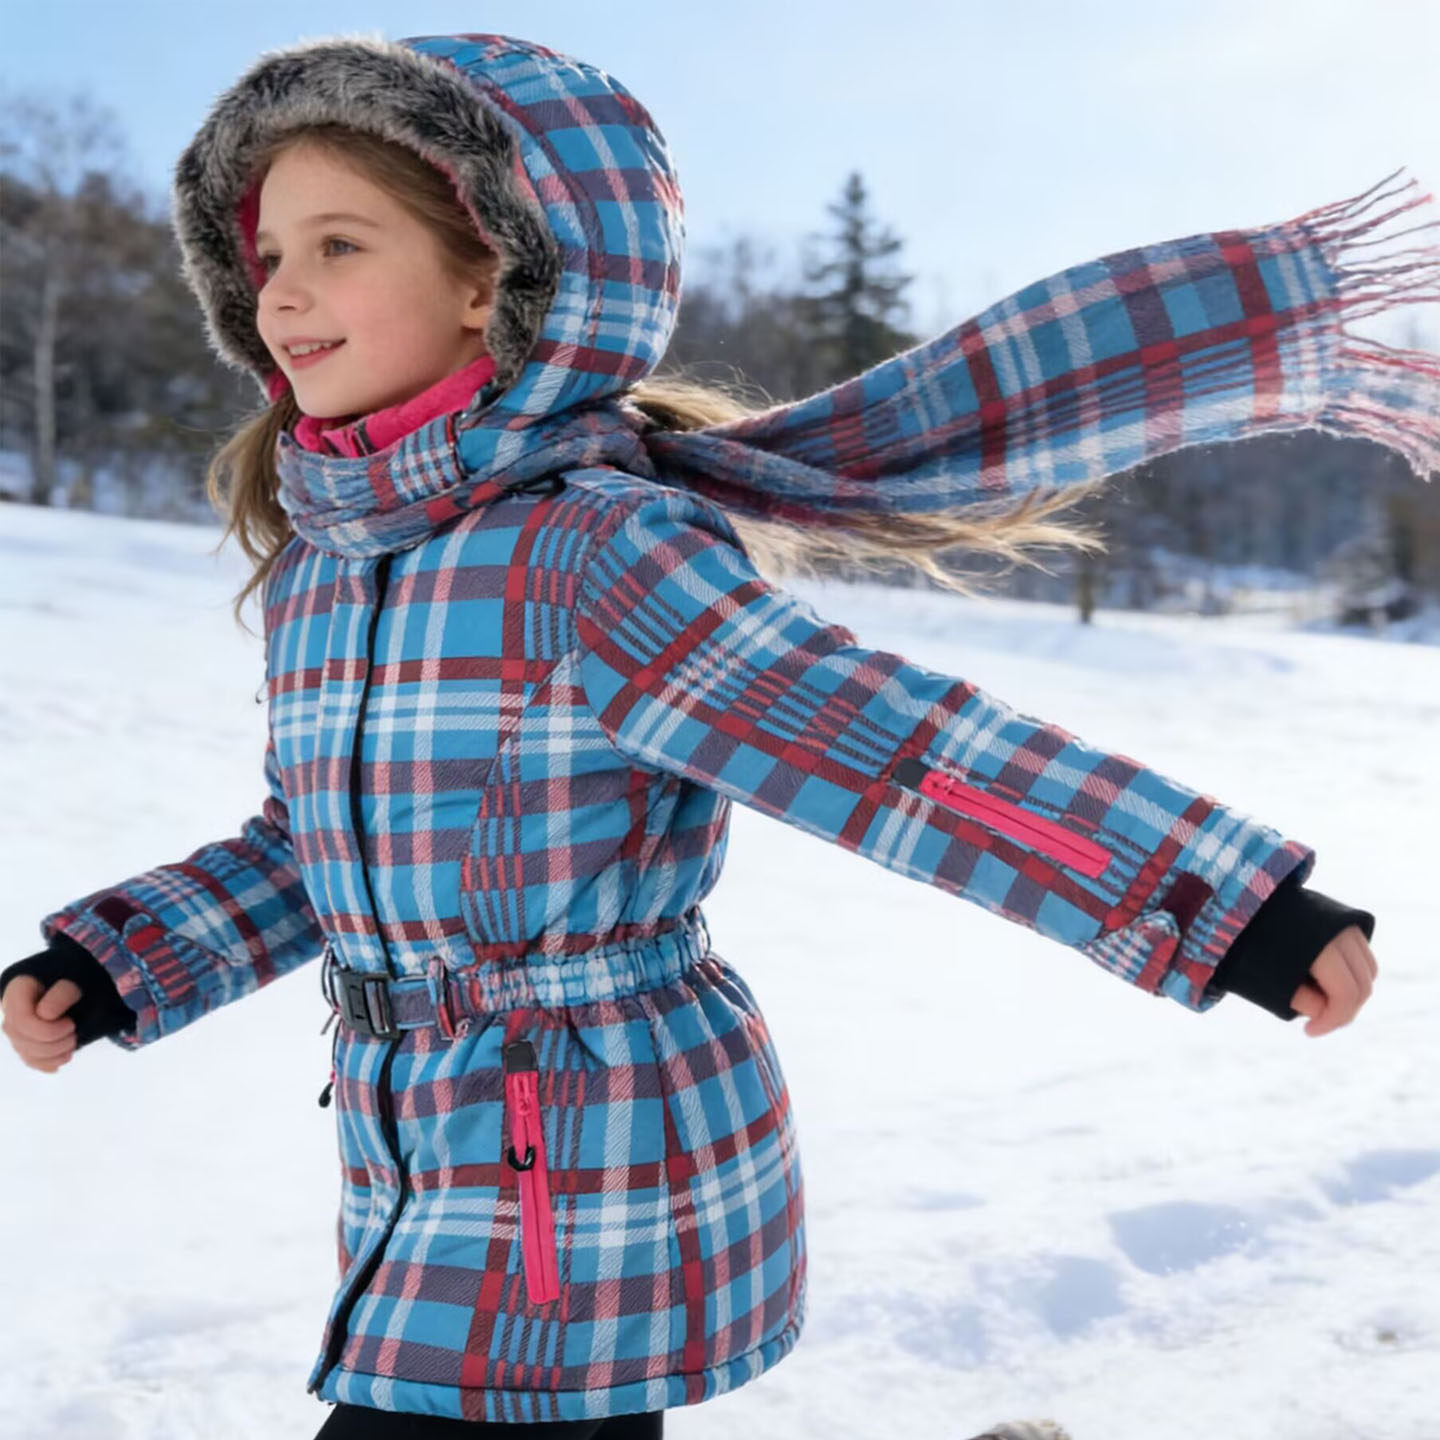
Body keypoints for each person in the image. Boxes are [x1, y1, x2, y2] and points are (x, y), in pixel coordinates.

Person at [5, 27, 1426, 1440]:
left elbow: (900, 758)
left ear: (496, 274)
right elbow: (316, 854)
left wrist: (1217, 904)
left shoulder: (599, 552)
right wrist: (121, 961)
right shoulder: (332, 566)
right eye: (262, 257)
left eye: (339, 246)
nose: (283, 296)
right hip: (416, 1148)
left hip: (583, 1152)